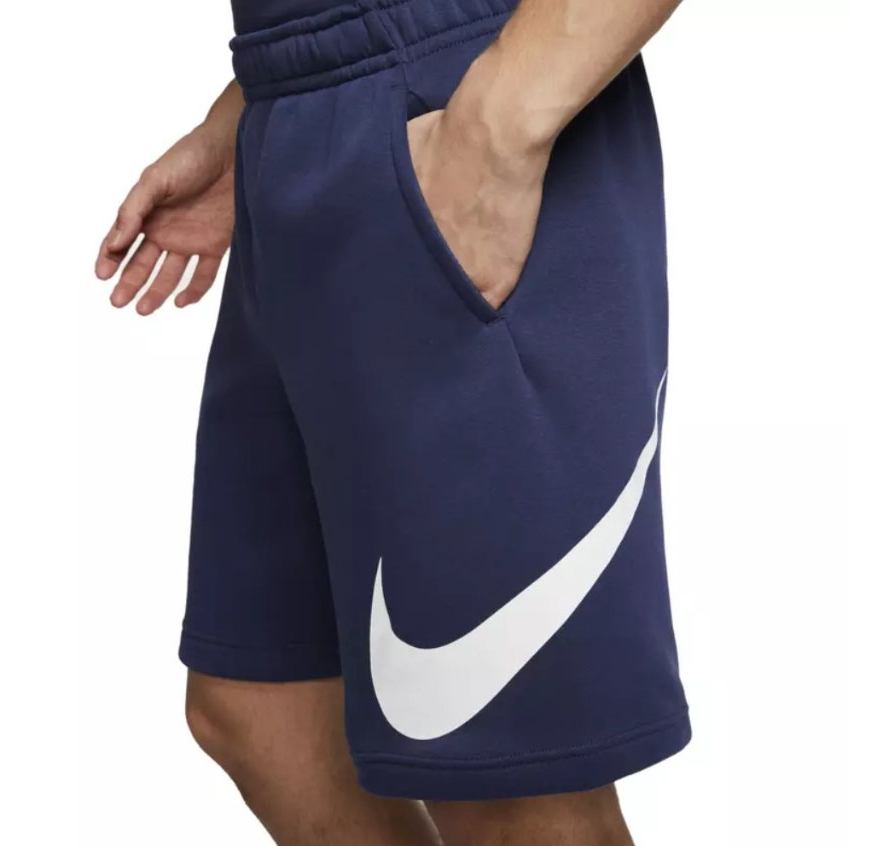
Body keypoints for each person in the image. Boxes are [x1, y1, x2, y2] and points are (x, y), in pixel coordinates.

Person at [95, 0, 689, 842]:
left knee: (506, 780)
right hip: (299, 103)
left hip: (453, 99)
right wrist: (255, 106)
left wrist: (495, 126)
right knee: (260, 702)